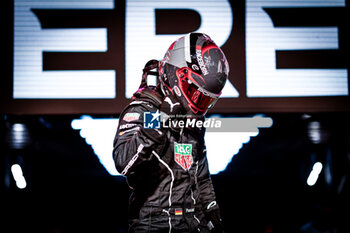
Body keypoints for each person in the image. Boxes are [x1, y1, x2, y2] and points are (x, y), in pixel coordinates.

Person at [113, 32, 229, 233]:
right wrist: (159, 121)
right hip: (152, 223)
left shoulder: (193, 121)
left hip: (194, 222)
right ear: (180, 76)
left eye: (206, 100)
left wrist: (212, 210)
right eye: (197, 95)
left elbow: (200, 175)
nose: (199, 106)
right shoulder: (141, 110)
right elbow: (123, 162)